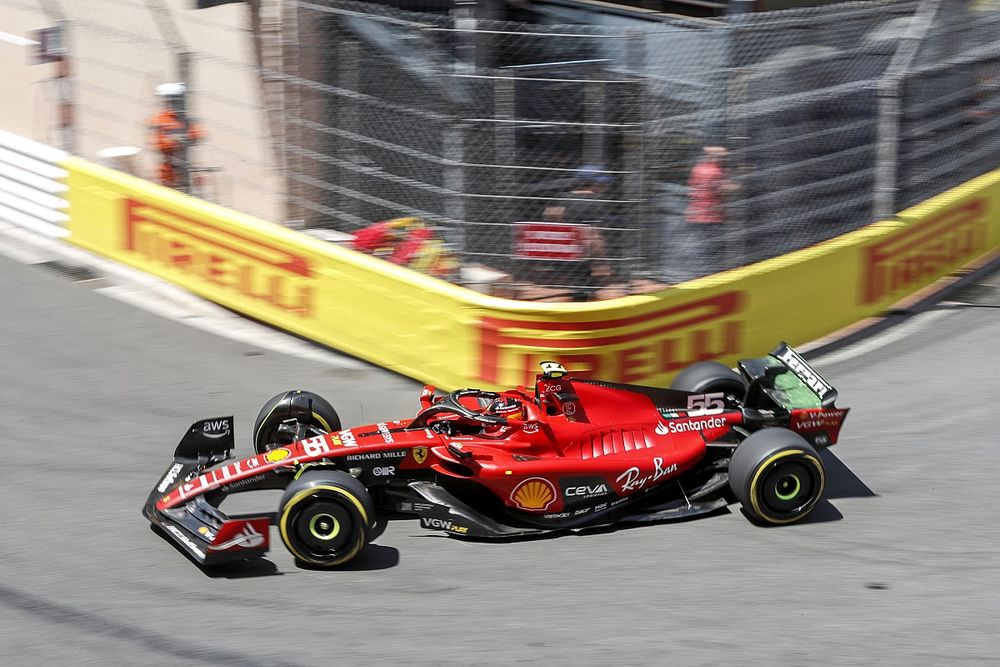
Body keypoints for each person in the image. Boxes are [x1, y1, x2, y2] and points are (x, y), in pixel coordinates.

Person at [685, 146, 739, 269]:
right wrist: (740, 186)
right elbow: (720, 189)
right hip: (711, 217)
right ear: (714, 158)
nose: (725, 160)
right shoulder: (715, 171)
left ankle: (702, 269)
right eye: (722, 157)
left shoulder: (698, 168)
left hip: (695, 213)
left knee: (702, 246)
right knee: (713, 248)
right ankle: (709, 271)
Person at [149, 82, 204, 190]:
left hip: (187, 168)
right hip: (168, 171)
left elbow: (198, 134)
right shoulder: (160, 120)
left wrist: (184, 138)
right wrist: (175, 140)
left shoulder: (186, 119)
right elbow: (158, 144)